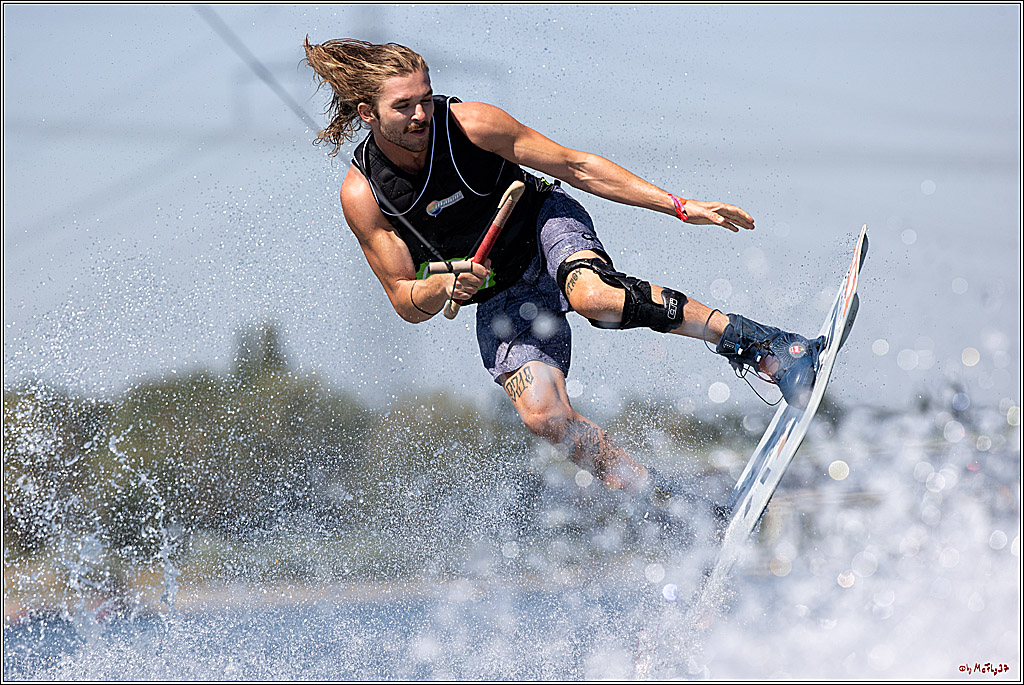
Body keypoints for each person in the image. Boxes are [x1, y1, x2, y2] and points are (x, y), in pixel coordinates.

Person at [303, 38, 823, 496]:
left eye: (424, 99)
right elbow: (403, 299)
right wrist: (441, 283)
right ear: (366, 112)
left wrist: (680, 206)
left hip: (542, 227)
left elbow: (577, 166)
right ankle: (669, 504)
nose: (421, 116)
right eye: (404, 107)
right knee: (544, 417)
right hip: (496, 291)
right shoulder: (363, 194)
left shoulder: (473, 125)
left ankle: (769, 346)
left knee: (593, 297)